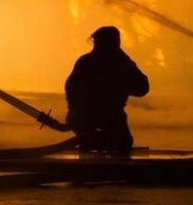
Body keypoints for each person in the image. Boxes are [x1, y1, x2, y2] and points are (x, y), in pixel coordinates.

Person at [64, 26, 149, 155]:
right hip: (86, 116)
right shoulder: (89, 62)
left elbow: (142, 88)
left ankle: (93, 142)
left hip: (105, 115)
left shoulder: (88, 62)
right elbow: (71, 87)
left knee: (121, 142)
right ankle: (94, 142)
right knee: (122, 143)